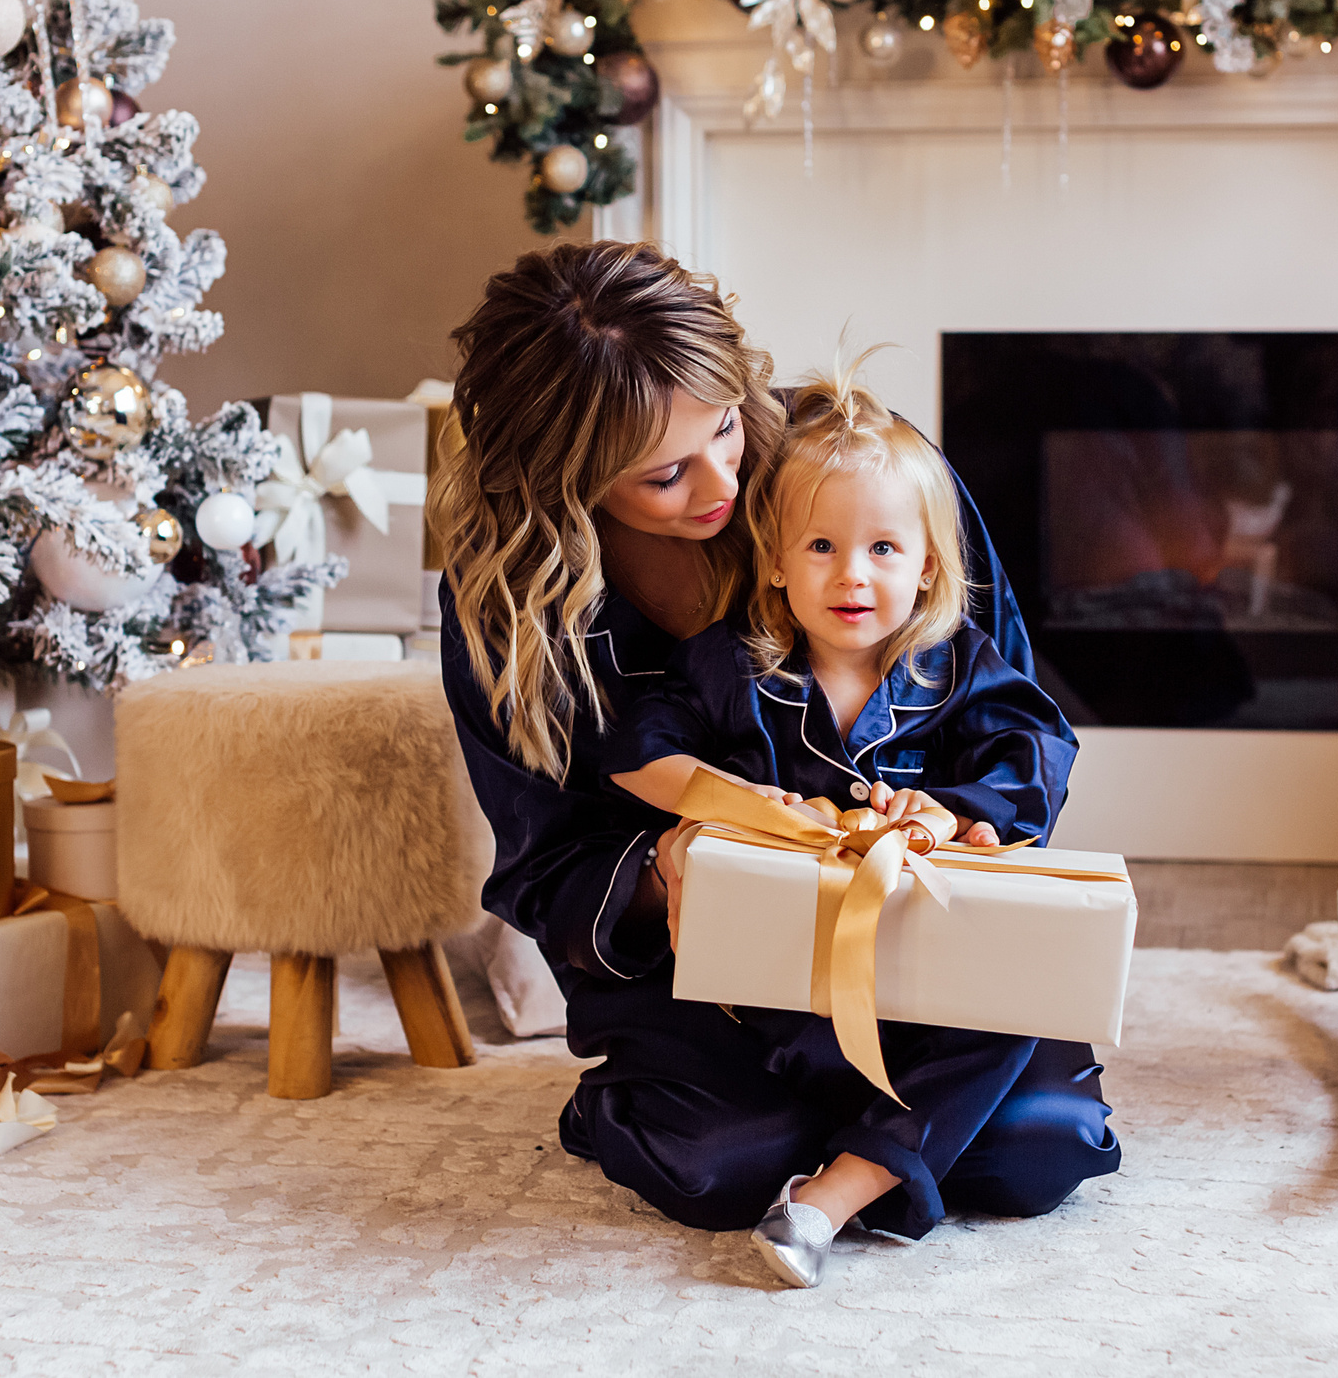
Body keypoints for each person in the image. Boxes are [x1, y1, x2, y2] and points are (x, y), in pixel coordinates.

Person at [430, 240, 1119, 1282]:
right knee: (719, 1165)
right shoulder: (505, 610)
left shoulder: (866, 474)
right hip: (701, 979)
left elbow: (1010, 716)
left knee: (1043, 1146)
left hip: (917, 944)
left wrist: (950, 819)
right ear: (558, 478)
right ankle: (785, 1123)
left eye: (723, 430)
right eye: (664, 474)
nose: (723, 482)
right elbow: (540, 864)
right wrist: (663, 875)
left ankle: (849, 1162)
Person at [606, 359, 1091, 1286]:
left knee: (1023, 1012)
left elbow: (1035, 752)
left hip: (936, 977)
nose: (852, 574)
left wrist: (952, 816)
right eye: (821, 546)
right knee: (735, 1122)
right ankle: (858, 1153)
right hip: (790, 988)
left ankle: (827, 1197)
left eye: (882, 549)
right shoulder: (730, 664)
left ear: (927, 566)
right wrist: (729, 800)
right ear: (777, 561)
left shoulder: (959, 666)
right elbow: (637, 749)